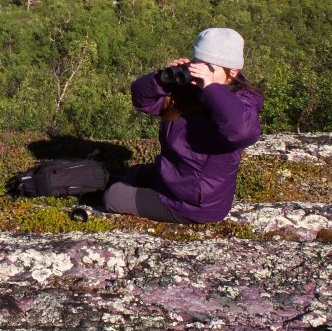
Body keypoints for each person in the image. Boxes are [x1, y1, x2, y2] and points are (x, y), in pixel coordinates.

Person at [104, 27, 263, 223]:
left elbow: (242, 131)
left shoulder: (242, 102)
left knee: (112, 195)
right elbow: (141, 100)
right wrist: (164, 78)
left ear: (231, 74)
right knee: (126, 174)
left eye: (208, 68)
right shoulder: (187, 92)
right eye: (197, 64)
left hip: (193, 203)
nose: (199, 72)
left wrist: (211, 88)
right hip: (171, 177)